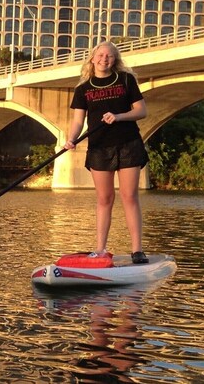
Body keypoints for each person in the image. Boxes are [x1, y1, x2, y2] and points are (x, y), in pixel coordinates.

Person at [63, 41, 149, 264]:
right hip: (99, 147)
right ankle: (100, 250)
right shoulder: (83, 89)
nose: (104, 59)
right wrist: (70, 139)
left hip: (128, 144)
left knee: (129, 196)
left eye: (109, 56)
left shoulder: (126, 80)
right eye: (100, 55)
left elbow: (141, 111)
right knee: (104, 198)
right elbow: (78, 120)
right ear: (92, 59)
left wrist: (118, 116)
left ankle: (137, 250)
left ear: (115, 59)